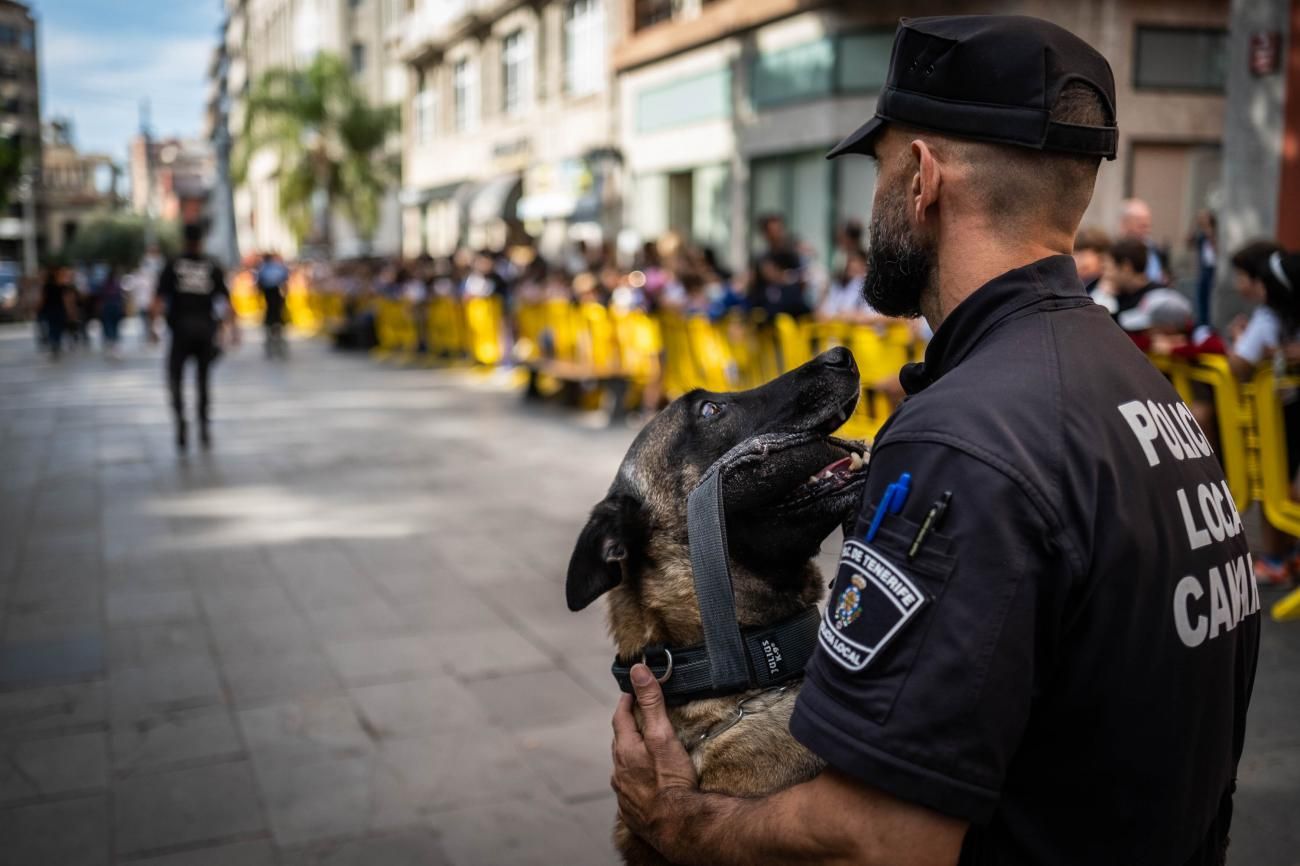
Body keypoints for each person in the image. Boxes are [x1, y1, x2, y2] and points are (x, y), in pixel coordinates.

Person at [610, 15, 1258, 866]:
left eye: (877, 170)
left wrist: (679, 821)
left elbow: (883, 838)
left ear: (920, 179)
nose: (871, 201)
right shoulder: (1141, 386)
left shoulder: (961, 441)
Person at [152, 223, 236, 451]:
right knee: (203, 380)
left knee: (175, 378)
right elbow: (225, 302)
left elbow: (158, 299)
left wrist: (153, 327)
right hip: (205, 330)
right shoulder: (212, 265)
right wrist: (232, 330)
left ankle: (181, 421)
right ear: (201, 241)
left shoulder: (173, 264)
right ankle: (203, 426)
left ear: (183, 240)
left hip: (180, 331)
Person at [748, 214, 811, 318]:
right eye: (772, 231)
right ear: (765, 234)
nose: (776, 234)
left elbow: (802, 280)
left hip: (791, 306)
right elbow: (758, 282)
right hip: (768, 308)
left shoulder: (792, 255)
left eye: (778, 230)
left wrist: (782, 277)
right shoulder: (761, 258)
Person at [1102, 235, 1158, 319]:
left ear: (1126, 267)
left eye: (1108, 269)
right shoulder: (1121, 296)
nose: (1105, 275)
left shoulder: (1157, 298)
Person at [1118, 197, 1169, 286]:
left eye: (1148, 225)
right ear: (1125, 224)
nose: (1147, 230)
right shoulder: (1114, 252)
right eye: (1141, 226)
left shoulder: (1155, 250)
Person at [255, 251, 290, 360]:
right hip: (277, 297)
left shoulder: (263, 269)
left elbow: (258, 285)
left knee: (271, 317)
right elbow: (285, 281)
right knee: (277, 317)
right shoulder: (278, 267)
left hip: (269, 297)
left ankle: (273, 337)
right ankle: (277, 336)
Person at [37, 266, 75, 360]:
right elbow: (66, 299)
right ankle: (55, 344)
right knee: (56, 327)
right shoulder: (60, 286)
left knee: (53, 327)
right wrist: (70, 311)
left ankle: (55, 344)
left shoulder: (48, 286)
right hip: (57, 310)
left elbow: (43, 298)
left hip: (51, 310)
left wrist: (39, 307)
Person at [1190, 209, 1218, 327]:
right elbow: (1189, 241)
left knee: (1208, 296)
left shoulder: (1213, 232)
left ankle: (1207, 322)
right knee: (1201, 295)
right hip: (1203, 268)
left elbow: (1215, 246)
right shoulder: (1200, 234)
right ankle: (1202, 321)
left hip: (1211, 268)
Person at [1071, 225, 1110, 295]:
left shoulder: (1107, 289)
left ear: (1102, 257)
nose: (1076, 261)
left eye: (1083, 256)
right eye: (1074, 254)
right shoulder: (1076, 285)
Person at [99, 264, 126, 360]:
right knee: (114, 326)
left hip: (108, 307)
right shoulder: (117, 284)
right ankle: (114, 344)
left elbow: (101, 297)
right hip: (115, 307)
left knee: (109, 325)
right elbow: (121, 297)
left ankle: (111, 342)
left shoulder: (105, 284)